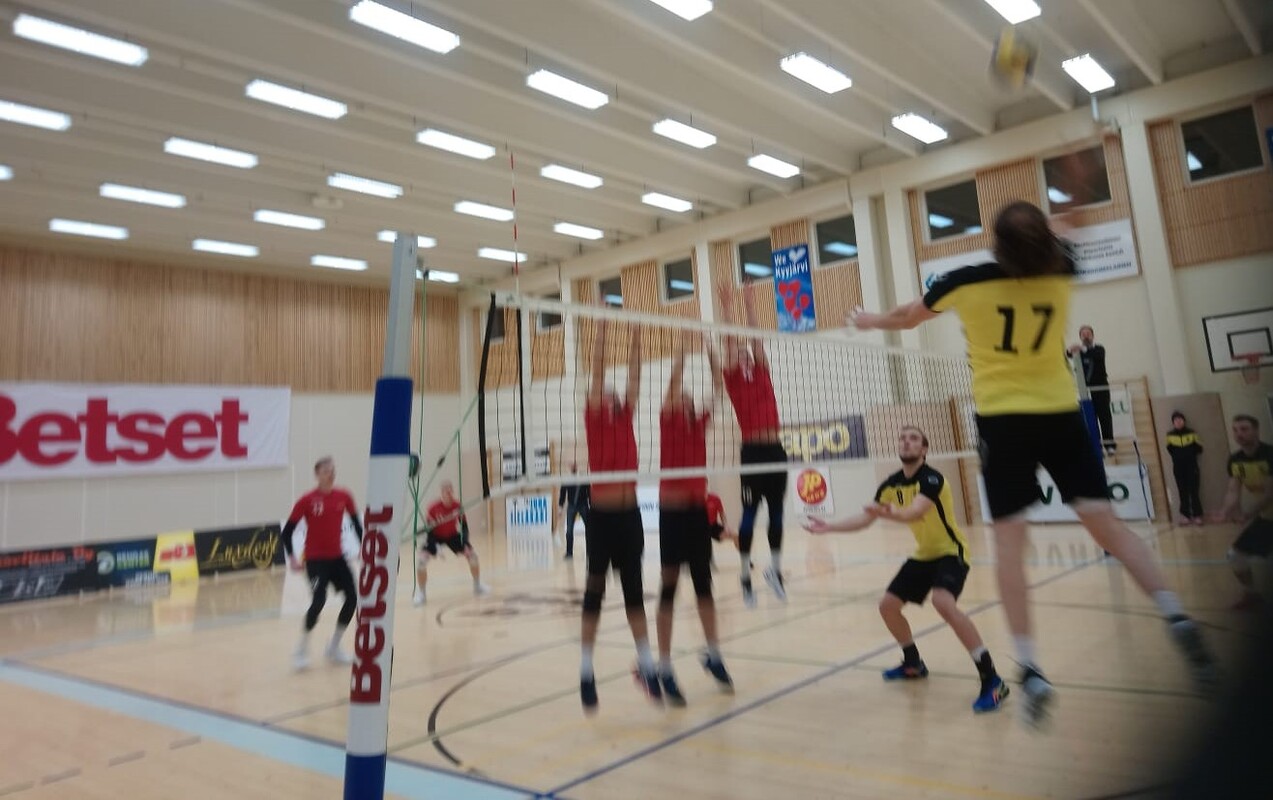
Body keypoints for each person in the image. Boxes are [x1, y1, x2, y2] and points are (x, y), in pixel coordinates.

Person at [850, 201, 1216, 726]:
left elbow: (907, 317)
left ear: (996, 244)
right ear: (1042, 240)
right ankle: (1174, 613)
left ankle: (1032, 667)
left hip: (1004, 422)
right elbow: (1063, 233)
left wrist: (869, 320)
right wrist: (1067, 216)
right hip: (1061, 414)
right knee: (1108, 527)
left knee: (1010, 546)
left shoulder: (965, 281)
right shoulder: (1060, 270)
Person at [807, 427, 1008, 713]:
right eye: (902, 438)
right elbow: (865, 519)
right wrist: (829, 527)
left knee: (943, 602)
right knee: (887, 606)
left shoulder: (932, 479)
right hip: (924, 555)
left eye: (913, 438)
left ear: (924, 450)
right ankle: (913, 663)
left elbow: (915, 512)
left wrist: (889, 513)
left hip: (952, 552)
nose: (906, 442)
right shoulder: (891, 484)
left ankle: (992, 679)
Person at [580, 315, 659, 711]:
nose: (611, 394)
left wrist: (636, 336)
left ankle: (647, 664)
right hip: (602, 519)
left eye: (613, 393)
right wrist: (601, 330)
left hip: (630, 519)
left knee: (634, 596)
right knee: (594, 592)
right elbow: (597, 373)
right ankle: (586, 670)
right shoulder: (594, 418)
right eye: (605, 392)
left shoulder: (625, 414)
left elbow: (635, 377)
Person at [655, 338, 735, 705]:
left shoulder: (699, 424)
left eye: (689, 399)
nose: (686, 400)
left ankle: (713, 654)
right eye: (681, 398)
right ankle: (664, 665)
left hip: (695, 514)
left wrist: (711, 353)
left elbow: (718, 389)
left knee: (704, 587)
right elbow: (673, 388)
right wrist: (681, 355)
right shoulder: (668, 420)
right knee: (669, 588)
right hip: (672, 516)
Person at [720, 284, 789, 607]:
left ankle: (775, 571)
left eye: (747, 352)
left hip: (776, 451)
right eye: (739, 353)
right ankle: (746, 576)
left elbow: (755, 339)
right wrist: (727, 307)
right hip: (752, 454)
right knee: (749, 515)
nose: (745, 353)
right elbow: (730, 342)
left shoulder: (762, 370)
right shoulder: (732, 378)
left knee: (777, 514)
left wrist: (750, 305)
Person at [281, 456, 362, 670]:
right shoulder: (307, 500)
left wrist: (364, 548)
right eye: (326, 471)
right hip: (315, 560)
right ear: (317, 475)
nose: (331, 474)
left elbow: (356, 524)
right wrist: (293, 557)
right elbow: (287, 532)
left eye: (333, 470)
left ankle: (333, 646)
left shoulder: (344, 496)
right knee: (319, 601)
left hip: (338, 558)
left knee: (352, 599)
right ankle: (301, 649)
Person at [1212, 415, 1273, 610]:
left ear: (1256, 430)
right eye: (1235, 430)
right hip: (1268, 518)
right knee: (1235, 555)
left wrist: (1247, 514)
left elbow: (1270, 494)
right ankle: (1251, 595)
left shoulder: (1269, 455)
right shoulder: (1235, 460)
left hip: (1265, 514)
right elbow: (1233, 491)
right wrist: (1224, 512)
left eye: (1244, 429)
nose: (1239, 434)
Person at [412, 480, 489, 606]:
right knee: (421, 562)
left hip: (452, 536)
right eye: (446, 492)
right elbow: (429, 531)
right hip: (435, 537)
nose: (449, 494)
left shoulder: (457, 506)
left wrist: (465, 543)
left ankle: (477, 586)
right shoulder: (433, 508)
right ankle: (422, 594)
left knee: (473, 556)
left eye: (450, 491)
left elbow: (464, 527)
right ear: (441, 493)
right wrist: (435, 547)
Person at [1068, 325, 1115, 454]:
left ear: (1092, 335)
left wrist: (1081, 349)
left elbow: (1096, 355)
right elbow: (1068, 354)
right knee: (1090, 418)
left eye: (1088, 334)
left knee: (1104, 416)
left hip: (1100, 388)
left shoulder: (1099, 349)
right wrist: (1071, 349)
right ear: (1080, 337)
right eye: (1083, 334)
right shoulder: (1080, 352)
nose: (1086, 336)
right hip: (1086, 390)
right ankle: (1097, 447)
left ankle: (1109, 445)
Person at [1165, 411, 1205, 525]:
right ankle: (1185, 516)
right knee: (1182, 491)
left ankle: (1197, 515)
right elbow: (1170, 449)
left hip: (1192, 466)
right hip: (1178, 467)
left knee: (1194, 491)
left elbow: (1199, 448)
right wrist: (1179, 456)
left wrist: (1189, 453)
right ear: (1173, 423)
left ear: (1184, 421)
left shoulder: (1192, 433)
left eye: (1180, 419)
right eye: (1176, 420)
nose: (1178, 422)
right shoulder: (1169, 435)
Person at [557, 464, 590, 560]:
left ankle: (589, 552)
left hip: (583, 505)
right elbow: (562, 494)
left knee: (589, 529)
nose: (573, 467)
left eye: (574, 465)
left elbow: (589, 492)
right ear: (569, 468)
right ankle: (569, 552)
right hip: (571, 506)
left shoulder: (584, 478)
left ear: (577, 467)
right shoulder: (566, 480)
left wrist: (592, 505)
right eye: (571, 465)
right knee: (569, 530)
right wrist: (560, 508)